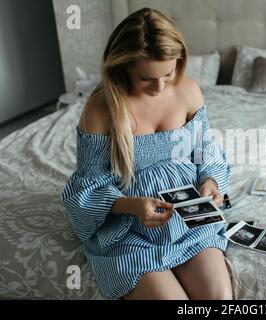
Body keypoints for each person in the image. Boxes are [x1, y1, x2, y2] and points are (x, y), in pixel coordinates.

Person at [61, 7, 232, 300]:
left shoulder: (189, 90)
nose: (160, 86)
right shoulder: (102, 108)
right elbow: (87, 188)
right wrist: (131, 205)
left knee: (219, 300)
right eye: (146, 78)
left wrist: (211, 182)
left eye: (168, 73)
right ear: (123, 66)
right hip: (129, 230)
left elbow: (205, 151)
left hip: (189, 219)